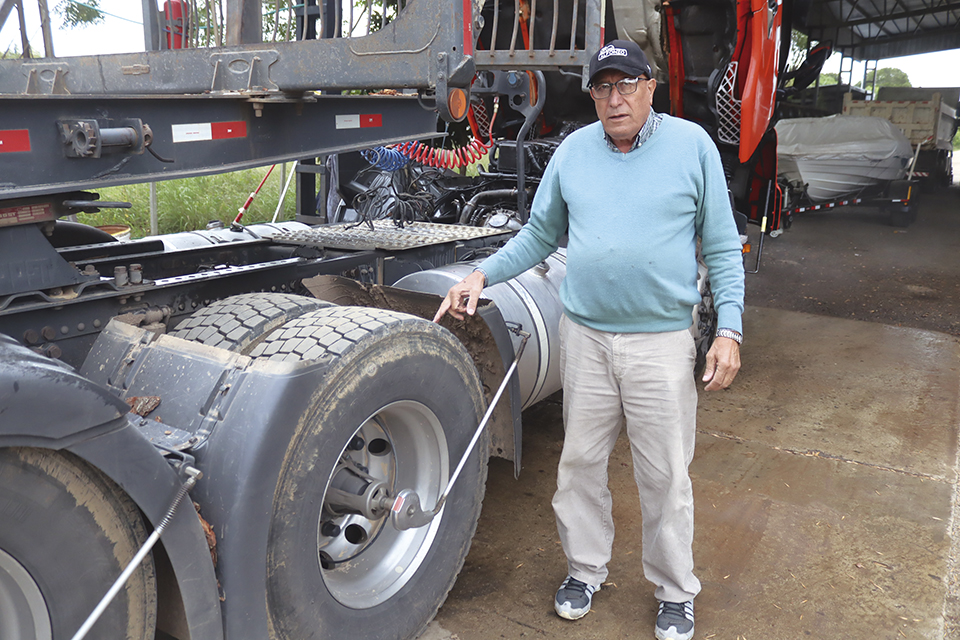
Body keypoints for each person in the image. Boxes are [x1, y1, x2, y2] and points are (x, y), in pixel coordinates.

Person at [433, 39, 744, 640]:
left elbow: (724, 247)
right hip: (587, 339)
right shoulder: (574, 152)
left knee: (665, 478)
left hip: (660, 343)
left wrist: (727, 329)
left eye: (627, 84)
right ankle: (585, 568)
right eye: (603, 87)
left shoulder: (692, 147)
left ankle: (675, 590)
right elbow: (538, 237)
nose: (614, 98)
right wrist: (480, 274)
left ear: (651, 88)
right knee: (578, 465)